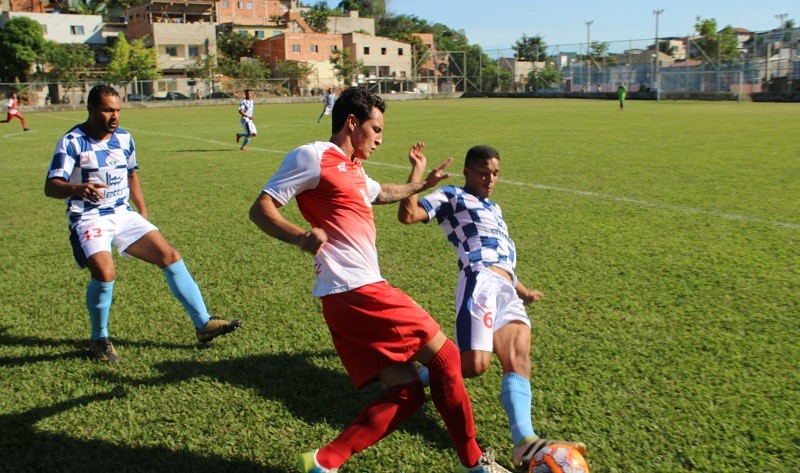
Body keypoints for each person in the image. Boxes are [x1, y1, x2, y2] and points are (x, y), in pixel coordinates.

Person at [249, 86, 510, 473]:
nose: (380, 138)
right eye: (375, 129)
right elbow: (261, 208)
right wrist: (299, 236)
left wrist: (421, 184)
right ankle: (475, 463)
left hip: (343, 299)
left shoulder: (352, 167)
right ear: (352, 123)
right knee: (447, 358)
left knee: (407, 392)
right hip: (357, 290)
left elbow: (382, 192)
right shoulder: (313, 156)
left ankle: (324, 462)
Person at [398, 143, 587, 470]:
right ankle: (418, 375)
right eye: (484, 172)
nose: (490, 178)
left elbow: (501, 254)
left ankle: (524, 442)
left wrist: (522, 289)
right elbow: (409, 215)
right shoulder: (453, 195)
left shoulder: (495, 208)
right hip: (480, 281)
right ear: (468, 172)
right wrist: (418, 175)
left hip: (506, 289)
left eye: (495, 173)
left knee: (519, 357)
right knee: (474, 365)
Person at [44, 84, 242, 363]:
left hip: (123, 214)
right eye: (107, 110)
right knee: (105, 272)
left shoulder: (124, 139)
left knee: (170, 257)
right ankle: (99, 338)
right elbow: (51, 186)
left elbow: (132, 176)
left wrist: (143, 213)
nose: (114, 116)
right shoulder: (72, 141)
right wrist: (77, 188)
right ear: (90, 109)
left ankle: (203, 323)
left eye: (118, 110)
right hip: (88, 216)